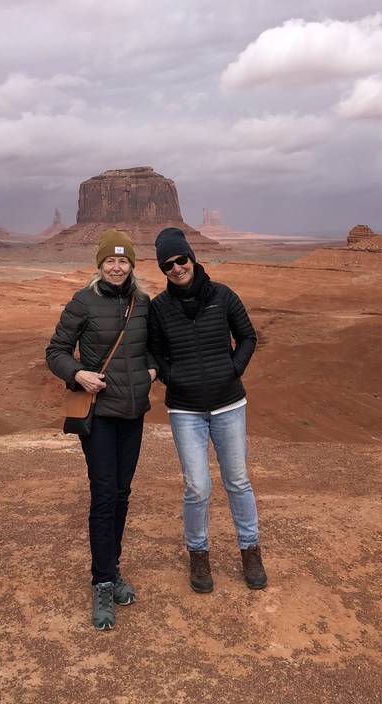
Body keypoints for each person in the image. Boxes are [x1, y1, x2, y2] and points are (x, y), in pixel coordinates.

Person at [46, 229, 157, 630]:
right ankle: (102, 582)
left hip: (133, 413)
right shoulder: (83, 301)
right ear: (99, 264)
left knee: (123, 493)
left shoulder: (142, 303)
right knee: (104, 494)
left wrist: (152, 369)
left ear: (131, 265)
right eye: (110, 261)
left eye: (123, 261)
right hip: (100, 415)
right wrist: (78, 374)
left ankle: (113, 566)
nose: (116, 267)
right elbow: (55, 350)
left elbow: (153, 347)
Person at [147, 226, 267, 592]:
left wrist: (232, 369)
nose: (176, 268)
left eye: (181, 260)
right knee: (197, 486)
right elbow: (153, 351)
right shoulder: (159, 308)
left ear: (192, 258)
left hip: (229, 403)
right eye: (167, 265)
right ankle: (198, 555)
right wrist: (171, 377)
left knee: (238, 481)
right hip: (185, 410)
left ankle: (250, 550)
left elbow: (247, 336)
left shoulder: (224, 296)